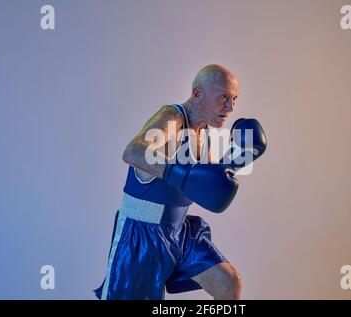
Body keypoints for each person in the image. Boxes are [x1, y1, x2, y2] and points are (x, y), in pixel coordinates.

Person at [95, 64, 266, 300]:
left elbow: (207, 183)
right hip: (141, 236)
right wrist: (180, 174)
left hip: (180, 233)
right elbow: (133, 151)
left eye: (235, 99)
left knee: (229, 284)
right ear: (198, 94)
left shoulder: (204, 131)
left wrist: (236, 159)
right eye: (224, 97)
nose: (231, 107)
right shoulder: (172, 117)